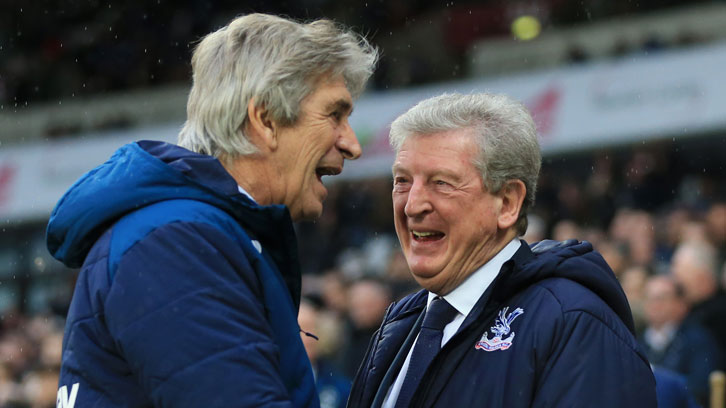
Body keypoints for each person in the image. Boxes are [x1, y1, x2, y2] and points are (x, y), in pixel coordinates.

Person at [46, 13, 377, 407]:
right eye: (334, 115)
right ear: (265, 120)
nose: (352, 145)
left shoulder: (189, 233)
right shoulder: (174, 243)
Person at [346, 93, 656, 407]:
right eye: (402, 181)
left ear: (507, 203)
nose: (412, 205)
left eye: (441, 182)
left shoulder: (574, 323)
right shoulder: (398, 328)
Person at [639, 275, 721, 406]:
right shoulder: (635, 341)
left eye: (661, 298)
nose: (653, 304)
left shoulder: (698, 339)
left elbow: (700, 386)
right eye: (648, 298)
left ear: (681, 304)